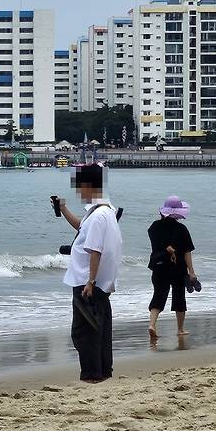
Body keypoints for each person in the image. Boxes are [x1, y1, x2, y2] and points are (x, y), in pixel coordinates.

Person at [54, 164, 123, 383]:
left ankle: (92, 374)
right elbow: (82, 229)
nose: (79, 192)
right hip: (101, 282)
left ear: (88, 186)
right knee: (100, 329)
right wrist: (63, 209)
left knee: (84, 332)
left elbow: (95, 250)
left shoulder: (97, 216)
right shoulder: (105, 212)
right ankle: (103, 371)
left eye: (80, 186)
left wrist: (90, 281)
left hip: (88, 282)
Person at [147, 196, 198, 339]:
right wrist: (191, 272)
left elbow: (157, 245)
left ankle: (152, 324)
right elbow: (187, 252)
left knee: (158, 295)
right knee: (179, 298)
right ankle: (180, 329)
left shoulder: (154, 227)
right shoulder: (181, 229)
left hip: (159, 266)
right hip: (177, 268)